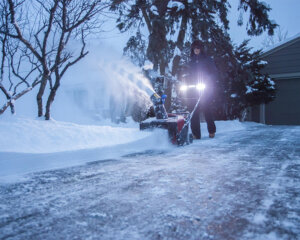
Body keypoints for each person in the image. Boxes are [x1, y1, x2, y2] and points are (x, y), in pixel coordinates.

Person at [182, 40, 217, 139]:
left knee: (207, 109)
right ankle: (196, 134)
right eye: (194, 48)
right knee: (193, 111)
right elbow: (188, 73)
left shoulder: (207, 60)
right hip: (193, 88)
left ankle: (211, 131)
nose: (196, 50)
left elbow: (214, 72)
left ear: (201, 49)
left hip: (205, 88)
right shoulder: (191, 61)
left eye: (198, 48)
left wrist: (209, 80)